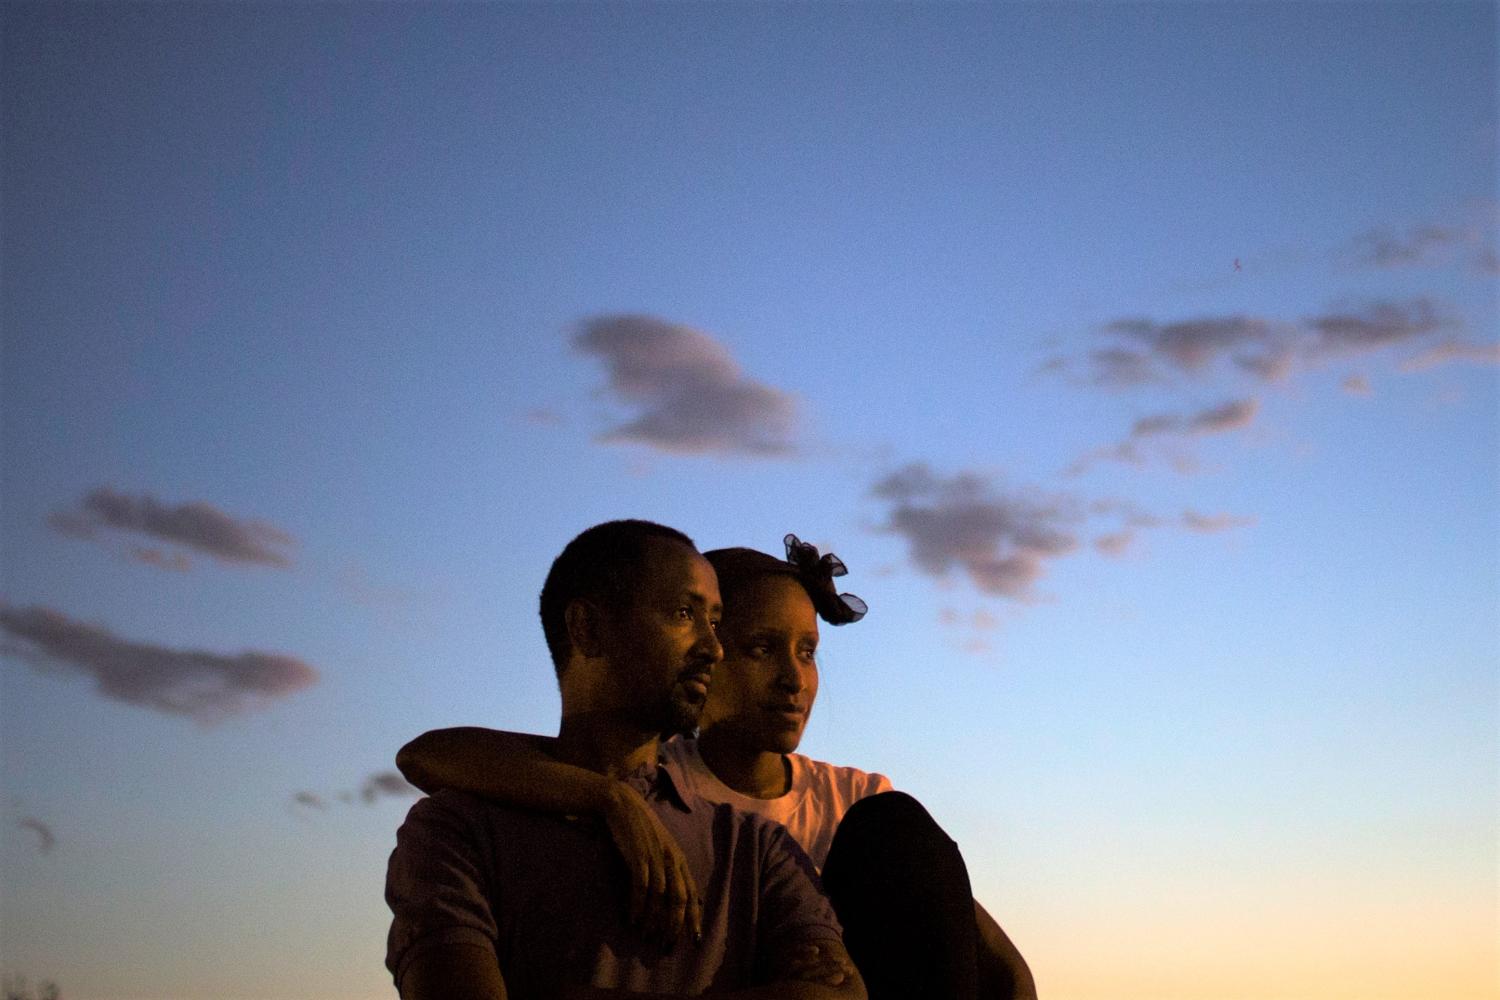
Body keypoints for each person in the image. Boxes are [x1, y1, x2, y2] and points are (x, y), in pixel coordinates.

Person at [398, 534, 1038, 1000]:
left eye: (808, 652)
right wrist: (610, 800)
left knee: (892, 825)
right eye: (757, 647)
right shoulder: (654, 785)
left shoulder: (817, 821)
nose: (793, 679)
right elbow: (434, 754)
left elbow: (968, 963)